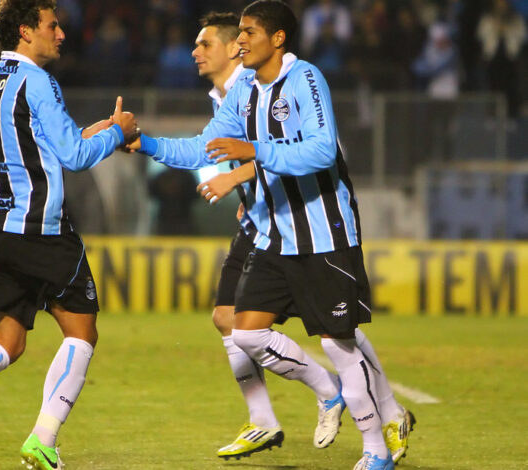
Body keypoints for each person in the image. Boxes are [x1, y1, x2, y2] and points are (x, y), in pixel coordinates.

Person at [129, 2, 413, 468]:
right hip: (274, 238)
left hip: (324, 233)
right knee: (245, 331)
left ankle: (376, 448)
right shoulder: (243, 94)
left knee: (337, 342)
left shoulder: (305, 79)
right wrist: (146, 142)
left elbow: (323, 150)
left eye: (249, 32)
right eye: (238, 32)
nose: (241, 41)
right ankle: (320, 398)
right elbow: (204, 145)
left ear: (277, 38)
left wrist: (253, 152)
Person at [0, 1, 138, 470]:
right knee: (82, 329)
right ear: (25, 30)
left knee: (8, 340)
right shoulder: (38, 80)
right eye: (52, 25)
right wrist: (117, 134)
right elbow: (74, 157)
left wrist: (92, 131)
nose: (61, 34)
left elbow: (36, 143)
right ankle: (43, 437)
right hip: (38, 229)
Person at [186, 11, 345, 461]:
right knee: (227, 319)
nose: (195, 52)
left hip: (300, 219)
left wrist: (237, 177)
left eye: (205, 44)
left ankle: (382, 410)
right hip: (259, 217)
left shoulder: (256, 85)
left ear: (231, 48)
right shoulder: (221, 95)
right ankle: (264, 422)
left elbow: (290, 144)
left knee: (338, 332)